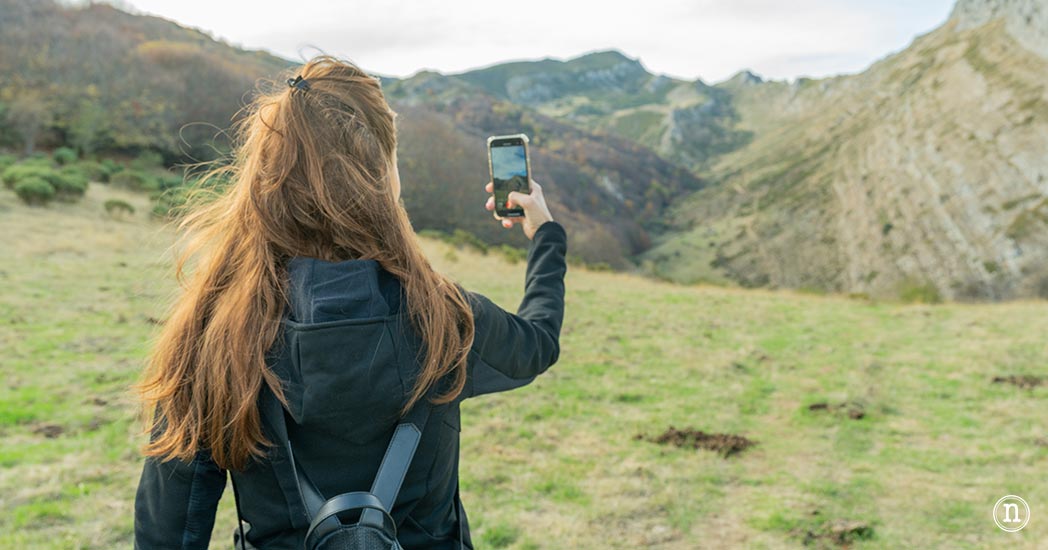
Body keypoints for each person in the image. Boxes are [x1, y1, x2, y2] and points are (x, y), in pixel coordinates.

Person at [132, 55, 567, 549]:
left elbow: (168, 532)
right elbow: (538, 343)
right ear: (382, 174)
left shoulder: (212, 333)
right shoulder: (444, 318)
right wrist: (546, 235)